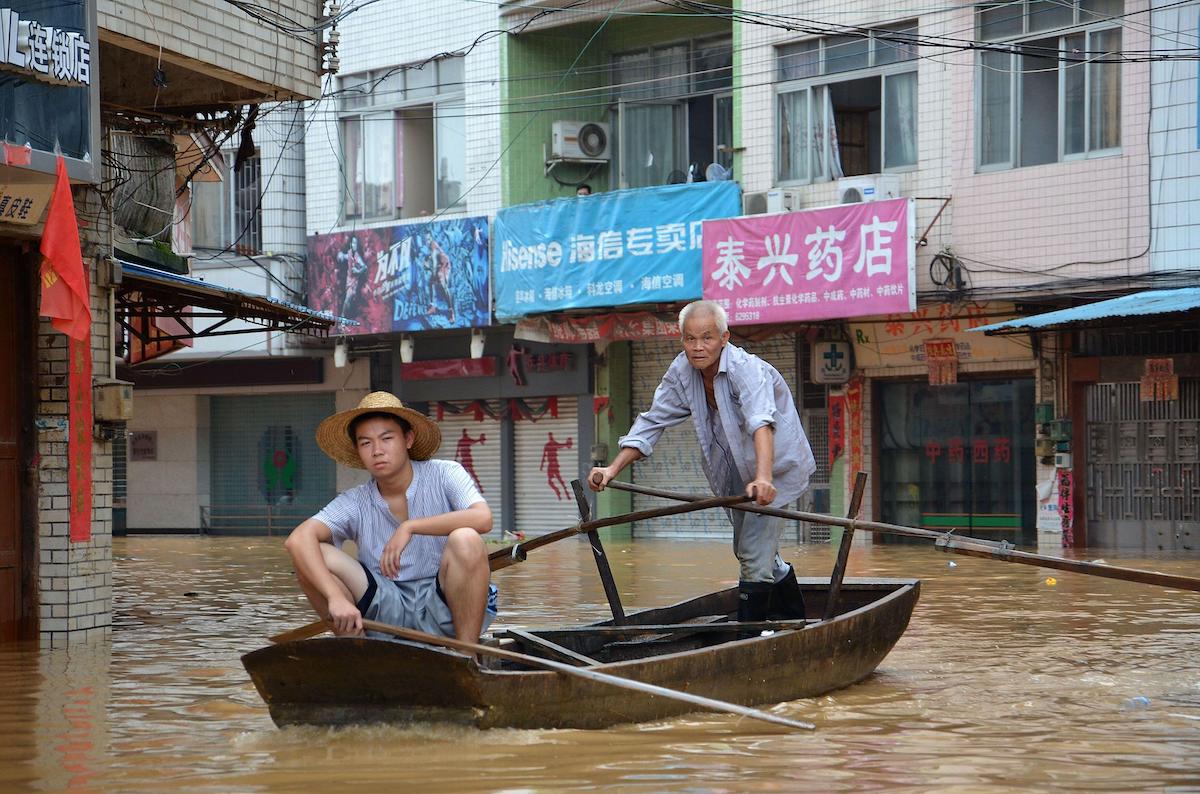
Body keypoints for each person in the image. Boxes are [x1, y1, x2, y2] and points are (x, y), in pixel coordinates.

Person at [589, 300, 816, 624]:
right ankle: (792, 618)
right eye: (690, 339)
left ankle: (749, 640)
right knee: (750, 550)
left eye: (707, 338)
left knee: (753, 555)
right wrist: (611, 469)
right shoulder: (681, 372)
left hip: (773, 470)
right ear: (681, 340)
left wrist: (764, 478)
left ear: (724, 338)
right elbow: (653, 422)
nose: (698, 347)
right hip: (734, 473)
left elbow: (761, 423)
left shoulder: (745, 369)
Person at [285, 392, 497, 643]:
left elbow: (483, 518)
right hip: (385, 609)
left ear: (408, 439)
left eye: (386, 438)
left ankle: (466, 654)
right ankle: (359, 651)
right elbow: (297, 539)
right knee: (310, 556)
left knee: (466, 538)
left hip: (444, 605)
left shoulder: (444, 474)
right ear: (358, 451)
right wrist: (336, 597)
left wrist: (410, 527)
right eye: (366, 443)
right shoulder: (355, 501)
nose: (377, 451)